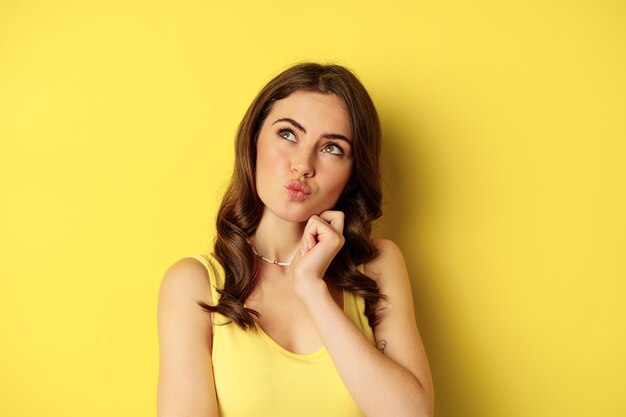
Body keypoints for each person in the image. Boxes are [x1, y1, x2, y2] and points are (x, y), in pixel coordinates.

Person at [156, 62, 434, 417]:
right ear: (253, 141)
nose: (303, 164)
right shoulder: (194, 283)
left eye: (332, 148)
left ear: (351, 175)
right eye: (288, 134)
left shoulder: (377, 266)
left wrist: (312, 288)